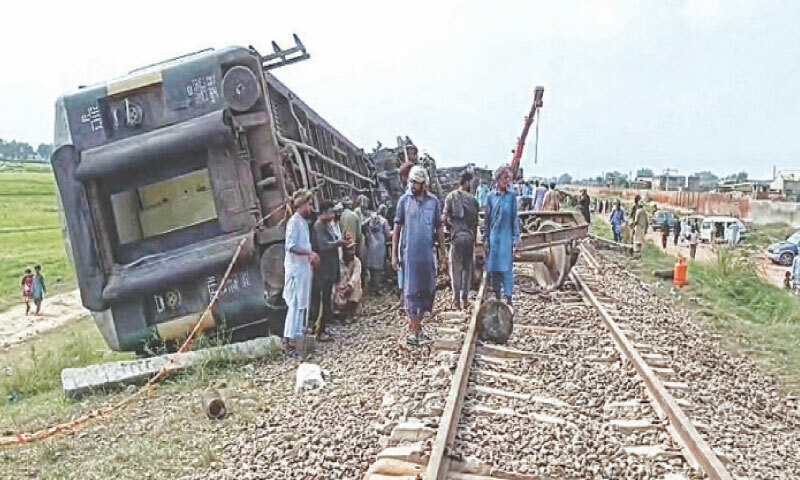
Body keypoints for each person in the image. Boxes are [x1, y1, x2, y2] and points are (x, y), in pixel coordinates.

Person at [392, 165, 446, 346]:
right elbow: (397, 230)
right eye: (411, 182)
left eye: (416, 183)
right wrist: (394, 254)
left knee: (427, 290)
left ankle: (418, 328)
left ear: (424, 184)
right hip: (410, 255)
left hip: (427, 255)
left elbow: (439, 228)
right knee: (411, 291)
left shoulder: (434, 203)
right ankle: (414, 329)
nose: (412, 186)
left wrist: (443, 255)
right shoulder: (404, 202)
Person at [283, 190, 320, 344]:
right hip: (296, 269)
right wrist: (309, 253)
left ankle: (299, 336)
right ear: (302, 204)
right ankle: (290, 337)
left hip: (303, 269)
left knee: (302, 303)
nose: (311, 209)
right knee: (296, 303)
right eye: (309, 205)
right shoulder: (293, 222)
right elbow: (290, 246)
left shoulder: (302, 222)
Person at [309, 201, 348, 341]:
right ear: (324, 212)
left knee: (326, 299)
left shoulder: (326, 225)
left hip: (329, 268)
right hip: (323, 270)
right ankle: (319, 330)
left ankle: (323, 328)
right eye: (330, 212)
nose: (332, 215)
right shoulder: (319, 226)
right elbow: (323, 245)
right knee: (322, 300)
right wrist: (338, 243)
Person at [484, 166, 520, 305]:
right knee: (494, 269)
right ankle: (498, 297)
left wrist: (516, 238)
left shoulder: (511, 197)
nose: (507, 181)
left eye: (509, 179)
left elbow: (514, 219)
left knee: (507, 269)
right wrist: (486, 238)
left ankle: (509, 298)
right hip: (494, 238)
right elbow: (487, 220)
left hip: (506, 238)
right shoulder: (490, 197)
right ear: (498, 179)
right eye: (505, 178)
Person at [444, 170, 479, 310]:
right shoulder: (473, 200)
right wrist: (474, 240)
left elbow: (444, 218)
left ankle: (456, 299)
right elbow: (476, 223)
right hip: (469, 238)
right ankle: (465, 298)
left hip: (456, 237)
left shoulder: (450, 197)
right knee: (467, 269)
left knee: (455, 269)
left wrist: (450, 228)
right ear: (467, 182)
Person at [365, 204, 392, 292]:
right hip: (380, 245)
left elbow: (363, 226)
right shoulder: (384, 221)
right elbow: (388, 235)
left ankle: (371, 286)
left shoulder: (370, 219)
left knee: (372, 266)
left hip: (371, 244)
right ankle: (376, 288)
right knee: (378, 267)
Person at [334, 245, 363, 321]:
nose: (352, 252)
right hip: (340, 284)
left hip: (351, 284)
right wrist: (341, 286)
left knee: (356, 287)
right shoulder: (339, 261)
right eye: (349, 250)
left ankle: (351, 313)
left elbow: (356, 275)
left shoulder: (357, 261)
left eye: (353, 250)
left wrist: (349, 285)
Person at [340, 197, 364, 264]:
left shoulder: (341, 215)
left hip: (343, 245)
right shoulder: (353, 215)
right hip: (353, 246)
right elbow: (359, 233)